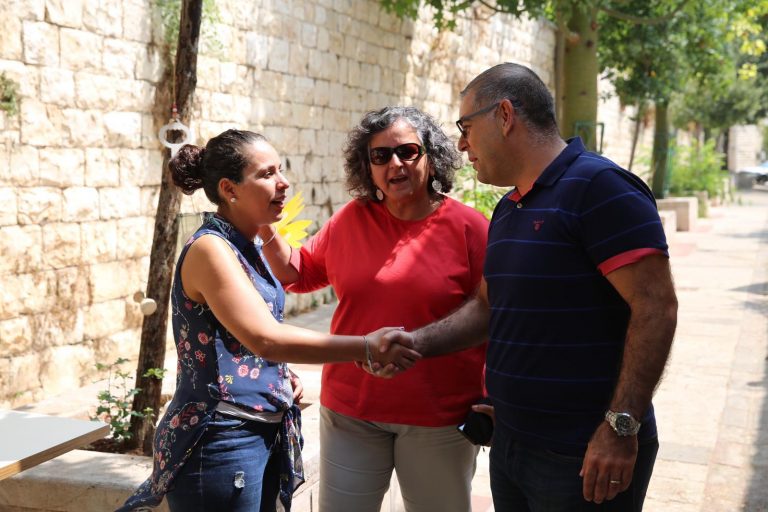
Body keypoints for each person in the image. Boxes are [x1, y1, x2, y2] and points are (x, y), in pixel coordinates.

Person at [382, 63, 678, 511]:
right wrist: (414, 343)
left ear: (504, 115)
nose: (461, 145)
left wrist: (621, 427)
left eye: (466, 128)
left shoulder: (601, 188)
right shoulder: (510, 207)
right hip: (513, 445)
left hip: (584, 455)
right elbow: (488, 308)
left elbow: (656, 308)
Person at [117, 129, 421, 512]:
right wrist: (365, 346)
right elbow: (266, 338)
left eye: (280, 169)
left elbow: (244, 337)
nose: (284, 182)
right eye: (267, 174)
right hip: (220, 439)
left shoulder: (247, 244)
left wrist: (274, 376)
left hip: (255, 433)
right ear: (229, 189)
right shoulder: (211, 249)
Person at [258, 106, 489, 512]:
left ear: (431, 156)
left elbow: (494, 314)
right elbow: (299, 272)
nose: (394, 164)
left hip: (439, 415)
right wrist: (261, 220)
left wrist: (494, 395)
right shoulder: (351, 220)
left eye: (407, 151)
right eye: (380, 156)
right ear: (367, 167)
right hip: (352, 411)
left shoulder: (470, 227)